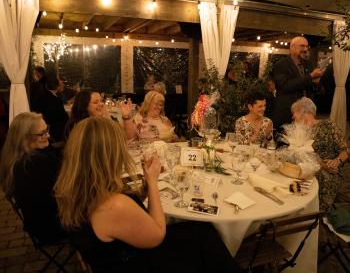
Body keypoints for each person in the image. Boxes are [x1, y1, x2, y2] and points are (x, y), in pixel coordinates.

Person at [54, 117, 240, 273]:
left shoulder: (75, 189)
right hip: (141, 264)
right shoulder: (112, 205)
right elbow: (157, 234)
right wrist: (152, 181)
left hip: (114, 256)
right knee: (204, 235)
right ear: (108, 155)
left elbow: (130, 216)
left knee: (199, 231)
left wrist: (143, 189)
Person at [0, 112, 65, 244]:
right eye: (42, 133)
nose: (48, 135)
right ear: (24, 138)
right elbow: (64, 189)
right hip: (51, 228)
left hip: (38, 225)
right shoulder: (33, 164)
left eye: (47, 129)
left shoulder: (21, 157)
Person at [291, 97, 349, 211]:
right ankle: (297, 209)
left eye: (294, 113)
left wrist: (337, 161)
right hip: (310, 167)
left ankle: (317, 212)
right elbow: (298, 154)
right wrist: (320, 164)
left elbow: (345, 151)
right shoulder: (299, 131)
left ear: (304, 112)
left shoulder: (329, 126)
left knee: (321, 177)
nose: (292, 117)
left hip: (331, 170)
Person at [272, 36, 324, 130]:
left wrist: (316, 83)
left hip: (306, 116)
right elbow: (285, 86)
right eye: (302, 46)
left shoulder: (308, 64)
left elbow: (317, 90)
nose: (305, 49)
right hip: (288, 114)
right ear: (292, 47)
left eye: (307, 46)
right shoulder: (281, 64)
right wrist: (310, 76)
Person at [40, 75, 69, 142]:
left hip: (44, 123)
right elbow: (63, 117)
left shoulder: (43, 95)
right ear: (57, 86)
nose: (63, 85)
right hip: (53, 129)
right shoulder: (56, 100)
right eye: (60, 84)